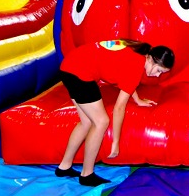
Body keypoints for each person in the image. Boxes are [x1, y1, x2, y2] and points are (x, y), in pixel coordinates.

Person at [55, 39, 175, 187]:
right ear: (150, 58)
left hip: (69, 65)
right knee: (101, 122)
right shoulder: (136, 66)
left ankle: (64, 167)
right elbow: (119, 108)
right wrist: (116, 142)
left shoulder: (138, 53)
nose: (157, 75)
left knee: (86, 122)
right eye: (158, 70)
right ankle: (87, 174)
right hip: (79, 72)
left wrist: (137, 100)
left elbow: (129, 83)